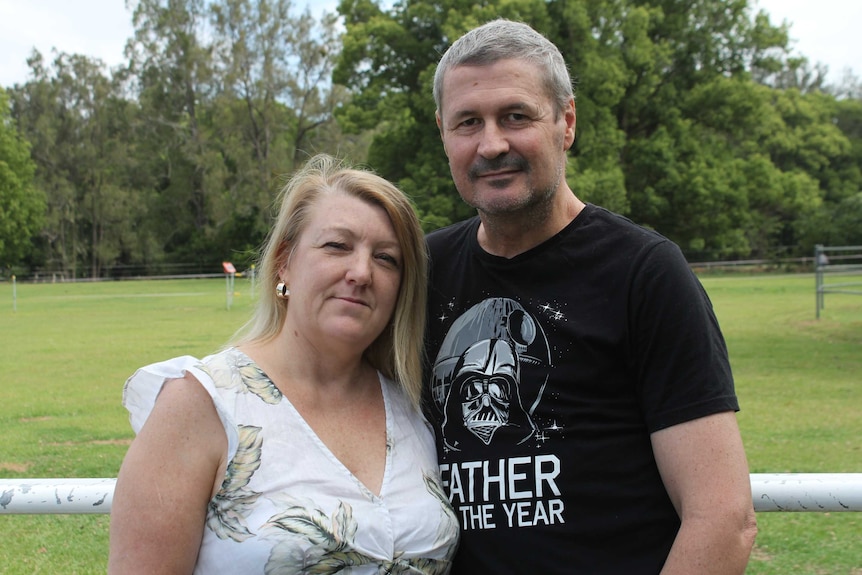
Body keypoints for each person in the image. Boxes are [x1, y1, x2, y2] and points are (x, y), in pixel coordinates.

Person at [423, 19, 757, 574]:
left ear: (566, 121)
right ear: (444, 134)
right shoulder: (422, 272)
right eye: (467, 123)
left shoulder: (644, 273)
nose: (491, 144)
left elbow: (723, 517)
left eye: (516, 116)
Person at [108, 154, 459, 574]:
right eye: (337, 246)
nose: (361, 272)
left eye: (386, 258)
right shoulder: (203, 403)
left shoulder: (415, 407)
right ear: (283, 263)